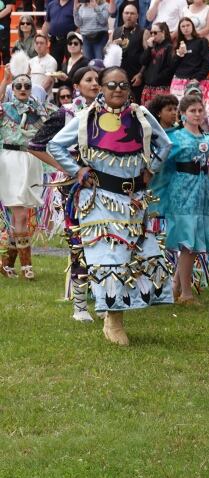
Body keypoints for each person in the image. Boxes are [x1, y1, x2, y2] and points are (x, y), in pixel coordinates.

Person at [47, 67, 173, 346]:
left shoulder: (140, 116)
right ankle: (114, 320)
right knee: (110, 258)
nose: (118, 89)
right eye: (111, 85)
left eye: (123, 85)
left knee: (135, 257)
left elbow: (165, 144)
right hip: (101, 200)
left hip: (135, 202)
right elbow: (55, 145)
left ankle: (111, 313)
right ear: (102, 88)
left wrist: (151, 167)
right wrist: (77, 171)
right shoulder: (87, 118)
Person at [28, 66, 101, 320]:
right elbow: (36, 144)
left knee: (103, 238)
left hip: (105, 183)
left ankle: (103, 301)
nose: (95, 84)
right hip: (74, 186)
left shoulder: (111, 113)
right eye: (88, 80)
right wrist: (66, 167)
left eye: (97, 80)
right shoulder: (67, 113)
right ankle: (80, 306)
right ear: (77, 85)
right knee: (78, 239)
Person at [153, 95, 209, 305]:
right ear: (183, 114)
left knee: (194, 239)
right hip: (182, 191)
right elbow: (162, 165)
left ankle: (175, 286)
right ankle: (186, 294)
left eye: (200, 110)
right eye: (193, 111)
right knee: (187, 243)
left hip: (204, 192)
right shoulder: (175, 137)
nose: (198, 114)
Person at [0, 66, 55, 280]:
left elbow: (58, 118)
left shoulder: (39, 110)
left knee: (21, 215)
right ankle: (27, 267)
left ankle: (6, 264)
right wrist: (4, 80)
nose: (23, 89)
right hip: (9, 161)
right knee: (20, 214)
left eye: (27, 86)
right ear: (13, 89)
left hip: (31, 161)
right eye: (19, 86)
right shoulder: (5, 109)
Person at [170, 17, 209, 107]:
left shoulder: (202, 41)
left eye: (188, 25)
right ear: (180, 29)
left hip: (197, 81)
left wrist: (198, 78)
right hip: (179, 82)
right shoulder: (177, 44)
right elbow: (172, 66)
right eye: (183, 26)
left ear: (192, 26)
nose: (186, 28)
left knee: (200, 108)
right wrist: (179, 55)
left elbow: (207, 63)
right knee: (179, 110)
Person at [111, 2, 145, 104]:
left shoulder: (143, 32)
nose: (129, 16)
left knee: (135, 106)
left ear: (137, 16)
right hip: (119, 77)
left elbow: (149, 56)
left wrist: (140, 74)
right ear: (122, 15)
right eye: (126, 13)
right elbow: (105, 51)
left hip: (135, 77)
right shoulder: (116, 31)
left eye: (132, 13)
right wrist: (112, 45)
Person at [139, 22, 176, 105]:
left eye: (155, 33)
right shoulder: (152, 46)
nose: (152, 35)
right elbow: (142, 61)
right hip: (148, 87)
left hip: (162, 88)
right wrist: (149, 48)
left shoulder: (169, 47)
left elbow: (170, 68)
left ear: (163, 33)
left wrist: (158, 78)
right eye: (151, 33)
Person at [43, 0, 76, 67]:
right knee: (54, 66)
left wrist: (75, 38)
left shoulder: (75, 4)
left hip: (70, 41)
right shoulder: (51, 4)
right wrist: (44, 38)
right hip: (55, 41)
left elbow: (80, 25)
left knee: (71, 66)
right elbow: (47, 23)